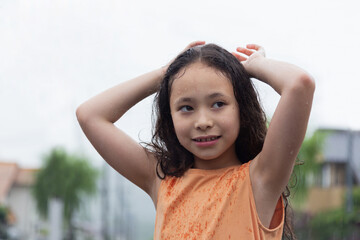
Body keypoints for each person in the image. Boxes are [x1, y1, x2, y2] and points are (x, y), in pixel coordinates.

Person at [76, 41, 315, 239]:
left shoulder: (260, 179)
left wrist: (255, 65)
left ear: (241, 109)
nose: (202, 121)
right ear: (170, 117)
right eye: (186, 107)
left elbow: (299, 85)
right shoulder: (161, 181)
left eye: (218, 104)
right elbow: (90, 115)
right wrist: (165, 74)